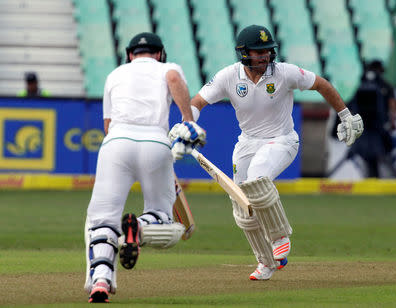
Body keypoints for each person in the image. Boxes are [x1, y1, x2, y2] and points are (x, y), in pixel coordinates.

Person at [170, 25, 363, 280]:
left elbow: (321, 84)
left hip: (282, 140)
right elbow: (197, 102)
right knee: (241, 204)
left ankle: (279, 235)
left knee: (258, 177)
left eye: (267, 51)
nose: (264, 57)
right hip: (247, 143)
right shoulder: (229, 76)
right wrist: (186, 124)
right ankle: (266, 262)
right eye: (258, 52)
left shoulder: (284, 72)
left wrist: (345, 115)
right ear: (244, 53)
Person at [84, 32, 206, 303]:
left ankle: (101, 281)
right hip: (155, 141)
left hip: (116, 142)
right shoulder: (168, 68)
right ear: (160, 53)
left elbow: (107, 125)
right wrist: (187, 121)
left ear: (129, 55)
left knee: (102, 219)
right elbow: (173, 79)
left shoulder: (114, 74)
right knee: (163, 218)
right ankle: (137, 228)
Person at [345, 60, 396, 178]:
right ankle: (377, 177)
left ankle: (374, 177)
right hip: (376, 126)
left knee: (376, 154)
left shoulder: (362, 86)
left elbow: (349, 106)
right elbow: (393, 105)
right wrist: (392, 122)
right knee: (377, 155)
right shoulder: (385, 85)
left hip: (370, 127)